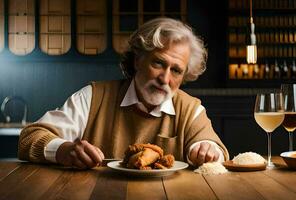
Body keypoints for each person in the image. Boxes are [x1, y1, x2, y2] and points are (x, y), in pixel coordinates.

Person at [18, 17, 229, 169]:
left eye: (176, 70)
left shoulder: (191, 109)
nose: (165, 79)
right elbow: (29, 139)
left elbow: (214, 147)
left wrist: (207, 150)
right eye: (158, 62)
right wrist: (64, 151)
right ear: (138, 60)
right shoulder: (93, 97)